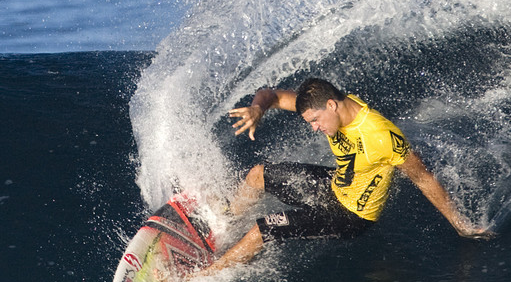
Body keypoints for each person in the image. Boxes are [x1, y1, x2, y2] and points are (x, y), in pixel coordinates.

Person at [210, 77, 491, 271]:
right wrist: (258, 108)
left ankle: (201, 281)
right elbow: (272, 93)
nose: (314, 128)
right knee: (258, 174)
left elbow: (423, 177)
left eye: (316, 121)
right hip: (336, 185)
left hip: (351, 215)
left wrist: (460, 224)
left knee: (264, 229)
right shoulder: (330, 105)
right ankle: (226, 221)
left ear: (331, 106)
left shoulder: (381, 136)